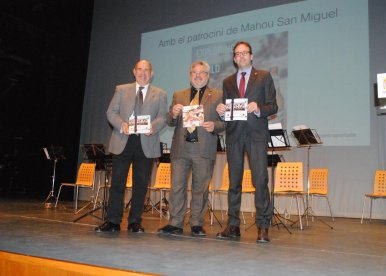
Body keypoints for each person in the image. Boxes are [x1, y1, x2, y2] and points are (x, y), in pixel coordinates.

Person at [216, 41, 278, 243]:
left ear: (251, 56)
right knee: (234, 182)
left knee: (260, 180)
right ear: (234, 59)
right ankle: (233, 225)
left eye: (245, 53)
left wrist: (258, 108)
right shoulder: (227, 82)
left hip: (256, 135)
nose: (241, 56)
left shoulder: (264, 76)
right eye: (237, 54)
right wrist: (221, 112)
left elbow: (273, 106)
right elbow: (227, 111)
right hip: (234, 136)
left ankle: (263, 226)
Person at [95, 59, 167, 233]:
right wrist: (122, 125)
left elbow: (164, 117)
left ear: (152, 73)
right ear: (134, 72)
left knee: (141, 185)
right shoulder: (121, 90)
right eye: (140, 70)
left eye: (147, 70)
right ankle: (113, 221)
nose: (143, 73)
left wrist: (153, 127)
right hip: (123, 140)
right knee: (117, 183)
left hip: (146, 142)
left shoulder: (160, 93)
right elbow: (110, 112)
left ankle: (135, 221)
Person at [158, 60, 224, 236]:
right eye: (194, 72)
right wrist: (173, 113)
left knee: (200, 188)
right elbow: (170, 121)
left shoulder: (218, 95)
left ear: (208, 76)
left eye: (202, 73)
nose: (198, 76)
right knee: (177, 187)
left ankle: (196, 223)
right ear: (190, 75)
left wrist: (215, 126)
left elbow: (225, 123)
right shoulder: (179, 95)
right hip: (181, 147)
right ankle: (175, 223)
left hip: (203, 148)